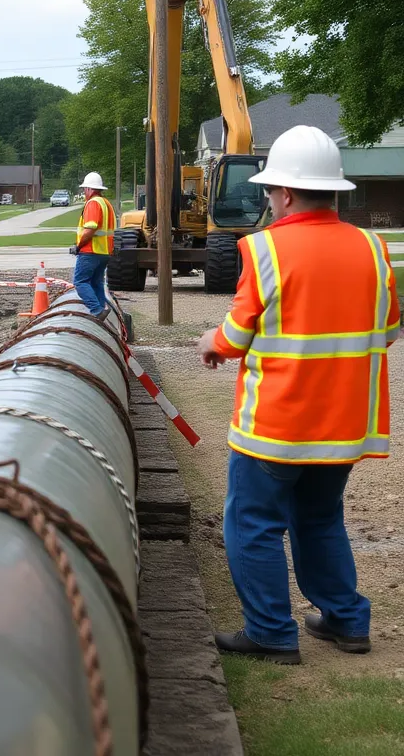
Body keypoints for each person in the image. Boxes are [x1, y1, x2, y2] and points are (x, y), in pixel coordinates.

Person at [197, 125, 399, 665]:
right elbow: (388, 331)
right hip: (346, 423)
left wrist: (209, 342)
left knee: (253, 523)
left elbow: (236, 336)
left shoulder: (264, 249)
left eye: (270, 190)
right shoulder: (372, 248)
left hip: (277, 425)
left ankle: (269, 632)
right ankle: (346, 621)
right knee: (321, 518)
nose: (268, 198)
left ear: (285, 193)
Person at [69, 172, 117, 319]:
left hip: (91, 251)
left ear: (90, 189)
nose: (84, 192)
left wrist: (78, 245)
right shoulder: (106, 203)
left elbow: (91, 228)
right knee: (96, 281)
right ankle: (102, 308)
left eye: (85, 189)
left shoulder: (93, 203)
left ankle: (97, 310)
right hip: (104, 252)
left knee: (80, 281)